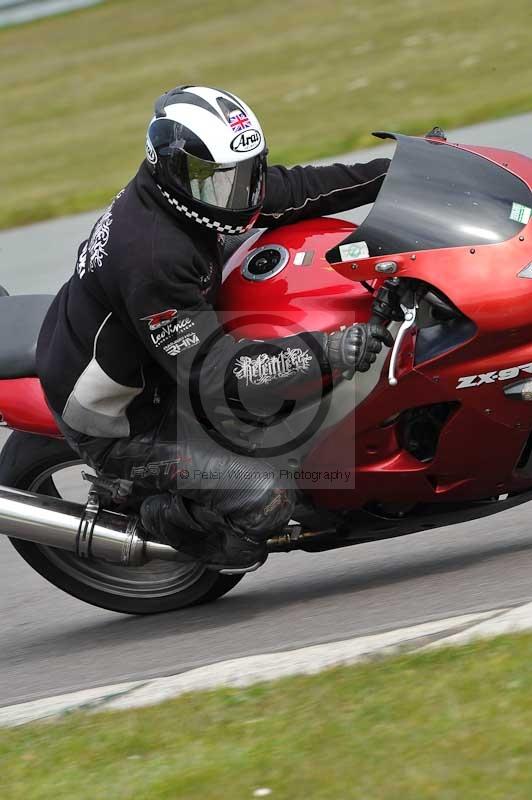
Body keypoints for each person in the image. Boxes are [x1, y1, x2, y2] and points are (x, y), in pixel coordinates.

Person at [36, 85, 392, 573]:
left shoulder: (189, 196)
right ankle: (153, 512)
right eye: (222, 180)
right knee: (263, 501)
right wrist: (327, 351)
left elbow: (296, 190)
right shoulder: (155, 257)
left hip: (148, 356)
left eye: (246, 175)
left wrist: (394, 173)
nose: (240, 193)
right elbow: (217, 376)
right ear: (173, 169)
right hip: (121, 420)